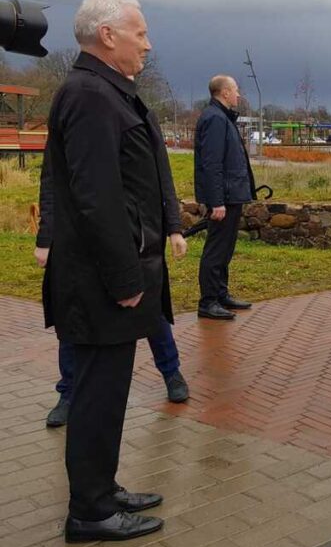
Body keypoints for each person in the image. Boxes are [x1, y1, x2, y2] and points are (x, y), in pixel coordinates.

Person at [41, 0, 171, 541]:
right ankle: (90, 512)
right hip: (100, 282)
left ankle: (101, 488)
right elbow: (96, 198)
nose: (148, 44)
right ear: (108, 35)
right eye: (140, 32)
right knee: (96, 394)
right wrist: (123, 277)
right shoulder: (91, 95)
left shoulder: (105, 91)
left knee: (108, 391)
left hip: (107, 278)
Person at [36, 104, 191, 427]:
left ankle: (171, 371)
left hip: (134, 234)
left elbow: (161, 174)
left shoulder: (139, 114)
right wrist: (46, 237)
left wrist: (174, 228)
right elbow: (52, 180)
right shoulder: (73, 112)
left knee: (150, 308)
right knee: (74, 315)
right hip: (80, 237)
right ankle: (68, 392)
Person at [193, 74, 256, 320]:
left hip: (232, 195)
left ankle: (220, 294)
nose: (238, 94)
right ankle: (208, 301)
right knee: (216, 249)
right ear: (225, 92)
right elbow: (212, 163)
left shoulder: (222, 118)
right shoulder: (215, 119)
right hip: (224, 198)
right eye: (236, 90)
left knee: (225, 248)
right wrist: (216, 201)